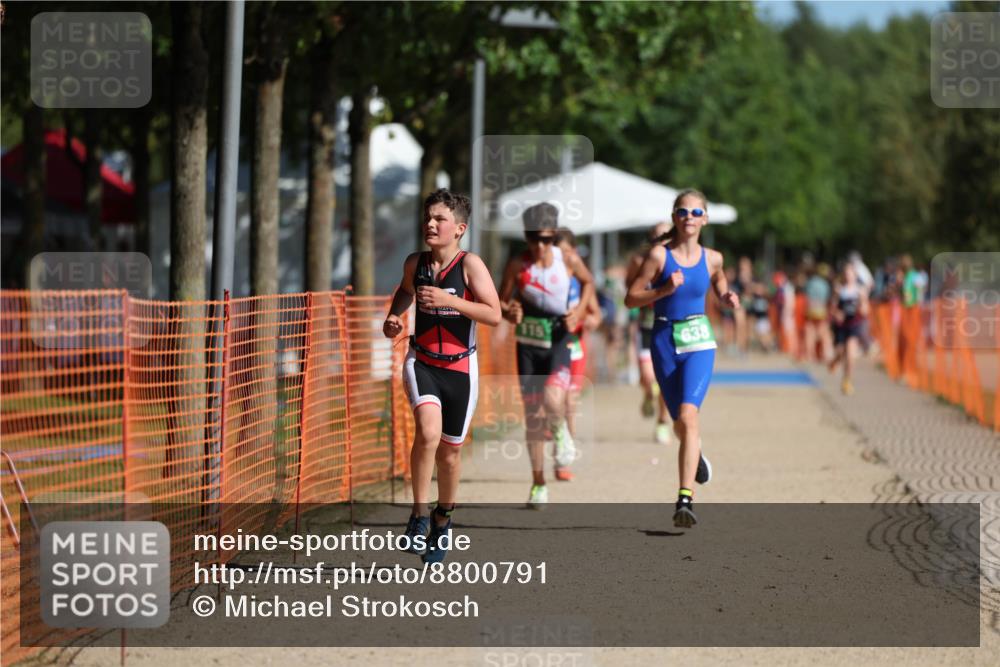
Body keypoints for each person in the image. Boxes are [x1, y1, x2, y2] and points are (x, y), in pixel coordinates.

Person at [383, 189, 501, 563]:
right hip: (422, 361)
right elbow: (404, 293)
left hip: (461, 368)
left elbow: (494, 313)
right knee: (428, 432)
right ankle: (418, 515)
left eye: (440, 219)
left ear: (459, 228)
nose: (431, 224)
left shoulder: (471, 266)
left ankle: (443, 517)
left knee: (449, 455)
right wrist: (394, 315)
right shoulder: (414, 262)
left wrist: (450, 300)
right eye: (428, 218)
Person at [625, 189, 740, 528]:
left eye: (696, 212)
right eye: (683, 211)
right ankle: (697, 454)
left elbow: (718, 280)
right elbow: (631, 298)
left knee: (689, 417)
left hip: (699, 340)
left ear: (705, 219)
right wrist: (663, 290)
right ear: (675, 217)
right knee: (679, 423)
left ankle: (685, 499)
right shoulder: (659, 257)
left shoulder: (714, 257)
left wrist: (724, 296)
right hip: (663, 339)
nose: (689, 217)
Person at [498, 203, 595, 508]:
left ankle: (561, 430)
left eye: (546, 239)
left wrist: (577, 313)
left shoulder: (567, 259)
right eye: (534, 239)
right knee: (532, 419)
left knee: (554, 399)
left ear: (554, 236)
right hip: (527, 343)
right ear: (526, 238)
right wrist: (509, 311)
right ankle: (538, 483)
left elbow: (589, 282)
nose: (540, 246)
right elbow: (499, 302)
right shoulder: (517, 265)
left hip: (558, 338)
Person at [555, 228, 603, 480]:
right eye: (557, 252)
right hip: (550, 346)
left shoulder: (580, 280)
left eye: (565, 252)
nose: (561, 257)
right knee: (550, 405)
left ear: (573, 252)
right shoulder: (545, 277)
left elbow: (595, 312)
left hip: (574, 346)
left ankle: (564, 457)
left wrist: (590, 319)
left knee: (569, 403)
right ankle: (559, 441)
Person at [625, 222, 673, 444]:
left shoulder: (678, 259)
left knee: (664, 381)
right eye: (656, 235)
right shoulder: (638, 261)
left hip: (667, 326)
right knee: (648, 377)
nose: (660, 239)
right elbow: (630, 293)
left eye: (664, 235)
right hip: (645, 325)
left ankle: (662, 422)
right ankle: (647, 394)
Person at [827, 262, 870, 395]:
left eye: (851, 273)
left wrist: (862, 306)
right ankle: (834, 361)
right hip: (841, 326)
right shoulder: (839, 290)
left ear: (855, 275)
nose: (848, 276)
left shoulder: (860, 291)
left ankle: (847, 381)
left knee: (851, 355)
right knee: (840, 352)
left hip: (854, 325)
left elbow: (865, 310)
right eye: (846, 273)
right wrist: (837, 314)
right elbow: (832, 309)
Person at [803, 262, 833, 362]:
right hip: (821, 309)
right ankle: (826, 354)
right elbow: (827, 298)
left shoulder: (810, 282)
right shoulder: (825, 284)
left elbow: (806, 295)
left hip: (810, 309)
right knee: (824, 333)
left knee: (810, 332)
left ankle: (809, 354)